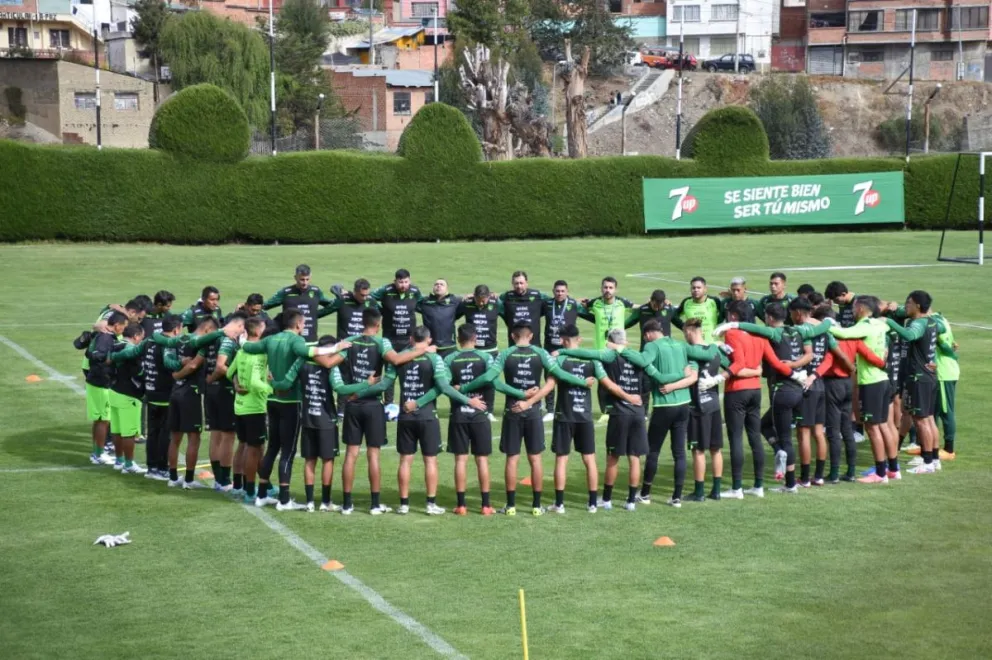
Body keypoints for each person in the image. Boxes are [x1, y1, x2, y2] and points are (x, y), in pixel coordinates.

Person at [476, 322, 592, 516]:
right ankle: (537, 506)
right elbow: (559, 374)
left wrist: (518, 394)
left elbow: (492, 380)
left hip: (512, 410)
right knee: (535, 459)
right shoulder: (540, 353)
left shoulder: (505, 354)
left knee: (512, 458)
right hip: (534, 411)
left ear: (513, 336)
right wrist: (582, 381)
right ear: (530, 336)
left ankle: (511, 506)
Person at [239, 309, 350, 510]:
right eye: (304, 323)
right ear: (298, 324)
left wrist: (240, 339)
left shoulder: (271, 340)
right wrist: (338, 347)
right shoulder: (296, 342)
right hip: (290, 403)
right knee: (288, 451)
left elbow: (248, 347)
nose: (305, 327)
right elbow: (315, 352)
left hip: (272, 400)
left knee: (272, 447)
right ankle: (284, 499)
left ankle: (262, 494)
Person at [718, 303, 832, 493]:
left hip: (782, 390)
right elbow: (816, 339)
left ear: (770, 318)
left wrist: (734, 326)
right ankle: (782, 473)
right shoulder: (797, 331)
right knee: (770, 429)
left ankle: (789, 482)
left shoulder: (774, 334)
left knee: (785, 438)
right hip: (799, 391)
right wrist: (828, 321)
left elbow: (756, 331)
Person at [331, 307, 432, 515]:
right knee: (373, 456)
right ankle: (375, 504)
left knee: (350, 455)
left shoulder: (350, 340)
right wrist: (423, 349)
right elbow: (396, 360)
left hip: (352, 403)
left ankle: (347, 504)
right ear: (377, 325)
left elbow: (333, 361)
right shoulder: (382, 342)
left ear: (362, 323)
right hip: (373, 405)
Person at [395, 326, 486, 515]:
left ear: (411, 339)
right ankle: (430, 504)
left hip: (405, 415)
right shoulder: (435, 359)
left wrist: (360, 392)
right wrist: (469, 400)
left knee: (405, 460)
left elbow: (386, 383)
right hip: (428, 416)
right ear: (428, 340)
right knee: (430, 461)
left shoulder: (400, 357)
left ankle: (404, 504)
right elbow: (443, 387)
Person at [548, 324, 637, 514]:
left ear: (563, 340)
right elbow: (610, 385)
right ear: (578, 338)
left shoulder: (559, 358)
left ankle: (560, 504)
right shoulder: (592, 360)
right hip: (585, 416)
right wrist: (630, 398)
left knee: (561, 460)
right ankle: (592, 504)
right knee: (589, 459)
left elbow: (550, 383)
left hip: (565, 415)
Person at [714, 301, 797, 499]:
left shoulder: (732, 334)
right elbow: (775, 363)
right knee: (754, 436)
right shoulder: (760, 335)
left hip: (736, 391)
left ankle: (736, 488)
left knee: (735, 438)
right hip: (755, 391)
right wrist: (795, 374)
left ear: (733, 317)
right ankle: (758, 486)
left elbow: (737, 364)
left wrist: (720, 375)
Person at [445, 324, 530, 515]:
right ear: (475, 338)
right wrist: (520, 393)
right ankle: (485, 505)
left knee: (460, 460)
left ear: (458, 339)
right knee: (481, 460)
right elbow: (496, 383)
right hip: (480, 415)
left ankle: (461, 505)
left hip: (459, 415)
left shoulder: (450, 358)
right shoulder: (485, 357)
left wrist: (463, 394)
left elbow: (446, 386)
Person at [812, 306, 886, 483]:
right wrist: (883, 363)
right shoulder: (852, 336)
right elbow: (869, 355)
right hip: (848, 384)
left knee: (833, 431)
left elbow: (828, 362)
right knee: (847, 430)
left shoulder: (830, 337)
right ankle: (851, 471)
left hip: (833, 385)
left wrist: (813, 376)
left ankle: (835, 473)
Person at [828, 296, 897, 484]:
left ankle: (880, 474)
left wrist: (824, 324)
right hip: (883, 379)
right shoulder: (880, 325)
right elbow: (888, 330)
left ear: (860, 308)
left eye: (854, 307)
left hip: (871, 382)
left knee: (872, 428)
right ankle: (893, 468)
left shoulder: (864, 326)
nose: (853, 310)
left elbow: (842, 334)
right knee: (883, 425)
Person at [884, 291, 948, 474]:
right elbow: (942, 328)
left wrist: (888, 322)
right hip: (929, 376)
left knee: (920, 420)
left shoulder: (919, 323)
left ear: (918, 306)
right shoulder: (933, 321)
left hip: (919, 377)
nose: (906, 306)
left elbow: (909, 336)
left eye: (909, 303)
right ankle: (934, 459)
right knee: (928, 419)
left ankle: (927, 461)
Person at [279, 335, 344, 512]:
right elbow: (340, 389)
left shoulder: (303, 362)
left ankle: (309, 503)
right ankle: (325, 502)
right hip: (326, 420)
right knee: (327, 460)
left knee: (310, 460)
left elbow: (286, 382)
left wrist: (273, 382)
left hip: (307, 418)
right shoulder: (332, 367)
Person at [680, 319, 729, 502]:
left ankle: (699, 492)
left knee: (698, 449)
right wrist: (719, 378)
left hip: (697, 406)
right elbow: (730, 365)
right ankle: (716, 491)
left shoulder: (692, 352)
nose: (685, 337)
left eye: (685, 332)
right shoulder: (715, 351)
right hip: (714, 404)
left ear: (690, 331)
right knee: (716, 449)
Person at [789, 298, 835, 487]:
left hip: (805, 385)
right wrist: (816, 375)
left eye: (792, 313)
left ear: (798, 312)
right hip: (820, 383)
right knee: (819, 432)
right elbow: (829, 357)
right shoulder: (823, 329)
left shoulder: (801, 330)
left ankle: (806, 478)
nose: (791, 317)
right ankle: (819, 476)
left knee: (803, 433)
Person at [227, 316, 272, 504]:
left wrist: (237, 384)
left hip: (240, 406)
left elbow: (230, 373)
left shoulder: (241, 351)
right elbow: (255, 382)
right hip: (255, 408)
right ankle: (250, 490)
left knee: (246, 446)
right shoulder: (260, 354)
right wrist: (272, 389)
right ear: (259, 331)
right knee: (255, 450)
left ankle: (249, 485)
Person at [579, 276, 634, 422]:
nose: (607, 290)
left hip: (617, 349)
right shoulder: (595, 303)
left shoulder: (622, 303)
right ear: (601, 288)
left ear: (615, 289)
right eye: (605, 287)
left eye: (610, 288)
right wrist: (581, 302)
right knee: (602, 381)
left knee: (618, 379)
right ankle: (605, 411)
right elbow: (583, 305)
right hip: (600, 350)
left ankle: (619, 407)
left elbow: (639, 308)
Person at [203, 312, 245, 492]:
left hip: (212, 392)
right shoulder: (227, 341)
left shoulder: (213, 338)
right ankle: (225, 480)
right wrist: (234, 377)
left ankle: (218, 480)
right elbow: (221, 366)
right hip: (224, 391)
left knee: (216, 434)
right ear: (239, 325)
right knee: (227, 436)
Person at [371, 269, 423, 409]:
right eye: (400, 282)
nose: (403, 285)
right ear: (395, 281)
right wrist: (381, 311)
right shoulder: (386, 290)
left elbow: (423, 303)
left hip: (408, 340)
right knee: (390, 372)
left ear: (409, 281)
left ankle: (408, 402)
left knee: (409, 372)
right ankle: (388, 404)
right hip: (390, 339)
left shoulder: (415, 291)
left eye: (406, 282)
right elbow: (370, 297)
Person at [142, 314, 182, 481]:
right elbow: (169, 365)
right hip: (164, 393)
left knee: (153, 432)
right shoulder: (167, 345)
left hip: (151, 392)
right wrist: (183, 363)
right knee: (165, 433)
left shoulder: (150, 341)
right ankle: (162, 468)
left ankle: (151, 467)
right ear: (176, 329)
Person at [85, 311, 127, 465]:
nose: (123, 329)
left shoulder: (101, 336)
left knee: (99, 419)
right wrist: (111, 359)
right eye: (123, 326)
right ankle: (99, 453)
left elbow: (89, 353)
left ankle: (96, 452)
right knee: (104, 420)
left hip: (95, 381)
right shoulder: (105, 338)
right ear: (116, 325)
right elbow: (97, 355)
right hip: (102, 383)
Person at [455, 284, 503, 420]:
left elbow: (510, 312)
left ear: (489, 297)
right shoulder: (467, 304)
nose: (481, 303)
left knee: (490, 381)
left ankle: (489, 411)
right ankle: (468, 405)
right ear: (474, 296)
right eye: (478, 300)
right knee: (470, 378)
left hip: (490, 350)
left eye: (484, 300)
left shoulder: (496, 304)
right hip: (472, 349)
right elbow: (453, 314)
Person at [541, 280, 587, 421]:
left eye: (562, 291)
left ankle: (568, 407)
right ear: (553, 291)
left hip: (567, 349)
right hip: (550, 347)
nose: (560, 293)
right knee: (549, 376)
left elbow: (589, 313)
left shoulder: (574, 304)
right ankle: (550, 410)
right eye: (557, 291)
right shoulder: (548, 304)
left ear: (567, 292)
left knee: (568, 377)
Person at [108, 322, 150, 474]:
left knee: (117, 430)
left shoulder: (115, 344)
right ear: (136, 336)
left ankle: (119, 461)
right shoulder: (132, 350)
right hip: (128, 395)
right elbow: (138, 372)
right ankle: (129, 464)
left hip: (113, 391)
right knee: (129, 433)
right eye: (141, 337)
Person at [263, 264, 335, 342]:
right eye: (302, 279)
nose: (305, 283)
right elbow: (264, 306)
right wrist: (271, 323)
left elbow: (330, 305)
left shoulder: (316, 292)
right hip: (289, 340)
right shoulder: (286, 292)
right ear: (295, 277)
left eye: (307, 279)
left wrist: (315, 314)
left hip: (311, 339)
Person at [499, 271, 549, 345]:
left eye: (521, 283)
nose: (519, 286)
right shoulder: (507, 297)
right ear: (512, 284)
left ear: (526, 283)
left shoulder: (537, 296)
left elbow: (553, 302)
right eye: (516, 283)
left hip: (534, 345)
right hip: (514, 345)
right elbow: (495, 301)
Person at [417, 278, 461, 360]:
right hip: (430, 347)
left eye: (442, 284)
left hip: (449, 347)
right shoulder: (425, 302)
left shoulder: (455, 301)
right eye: (436, 284)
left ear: (447, 289)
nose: (438, 286)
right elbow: (409, 303)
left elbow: (469, 302)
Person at [673, 277, 722, 342]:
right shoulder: (686, 302)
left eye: (699, 287)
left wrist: (715, 322)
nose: (696, 290)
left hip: (712, 344)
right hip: (693, 345)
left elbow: (724, 313)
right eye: (693, 288)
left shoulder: (714, 301)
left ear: (705, 289)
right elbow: (673, 316)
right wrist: (684, 327)